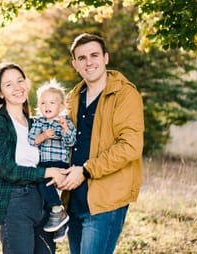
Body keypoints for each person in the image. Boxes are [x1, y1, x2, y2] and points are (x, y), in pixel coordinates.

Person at [57, 33, 144, 254]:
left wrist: (86, 170)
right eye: (82, 58)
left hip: (106, 201)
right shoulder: (73, 98)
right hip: (73, 199)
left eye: (94, 55)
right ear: (75, 64)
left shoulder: (125, 94)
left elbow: (130, 146)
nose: (89, 62)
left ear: (105, 57)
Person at [0, 62, 65, 254]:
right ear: (0, 93)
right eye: (9, 84)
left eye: (20, 81)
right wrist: (47, 172)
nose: (17, 87)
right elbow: (7, 170)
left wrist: (61, 172)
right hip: (15, 202)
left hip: (42, 200)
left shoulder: (36, 123)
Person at [28, 79, 77, 241]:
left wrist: (65, 129)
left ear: (61, 107)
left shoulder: (65, 121)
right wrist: (44, 136)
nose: (46, 106)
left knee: (45, 184)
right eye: (43, 103)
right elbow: (31, 140)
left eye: (51, 103)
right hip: (44, 163)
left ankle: (58, 209)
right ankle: (60, 225)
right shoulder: (38, 122)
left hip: (59, 163)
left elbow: (71, 142)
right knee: (43, 186)